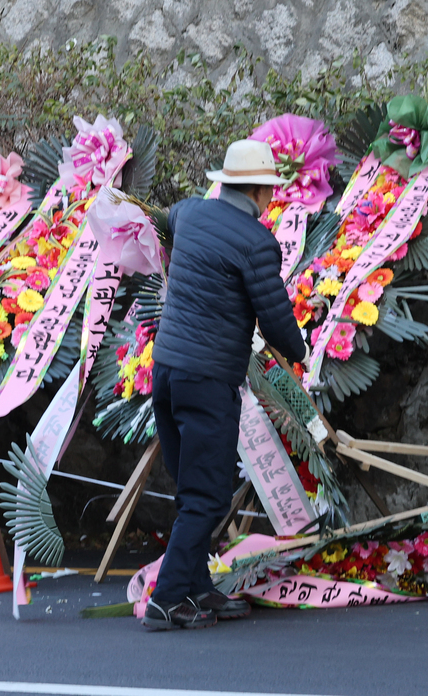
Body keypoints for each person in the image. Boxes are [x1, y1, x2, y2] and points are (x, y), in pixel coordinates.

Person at [144, 139, 310, 630]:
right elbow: (276, 320)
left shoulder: (190, 213)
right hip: (207, 379)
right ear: (259, 190)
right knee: (210, 495)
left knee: (191, 488)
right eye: (269, 190)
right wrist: (300, 351)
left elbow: (164, 219)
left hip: (167, 372)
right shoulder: (255, 243)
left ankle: (197, 588)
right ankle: (167, 599)